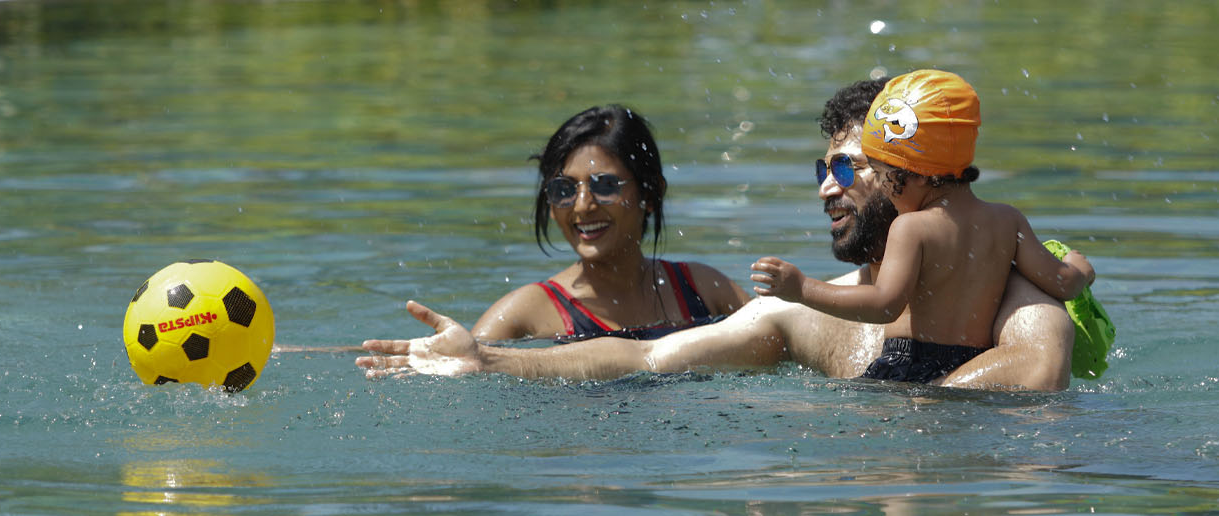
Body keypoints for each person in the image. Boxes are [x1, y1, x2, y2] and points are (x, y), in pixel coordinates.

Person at [356, 78, 1084, 390]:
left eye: (847, 167)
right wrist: (488, 361)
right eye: (822, 168)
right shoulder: (803, 315)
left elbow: (1037, 370)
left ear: (912, 169)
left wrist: (913, 418)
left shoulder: (1007, 291)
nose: (826, 187)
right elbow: (644, 358)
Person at [750, 70, 1093, 384]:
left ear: (912, 174)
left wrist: (802, 289)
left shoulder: (910, 228)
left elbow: (884, 304)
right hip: (971, 364)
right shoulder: (1008, 220)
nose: (883, 189)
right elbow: (1063, 282)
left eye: (882, 174)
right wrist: (1080, 269)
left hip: (904, 369)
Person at [471, 105, 748, 341]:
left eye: (605, 185)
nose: (583, 206)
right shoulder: (525, 316)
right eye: (563, 190)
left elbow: (773, 341)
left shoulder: (703, 291)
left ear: (650, 194)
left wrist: (779, 298)